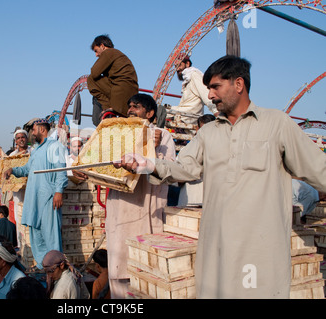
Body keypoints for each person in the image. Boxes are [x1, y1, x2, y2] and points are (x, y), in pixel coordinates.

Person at [114, 55, 326, 298]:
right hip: (216, 251)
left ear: (238, 84)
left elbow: (318, 169)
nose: (211, 96)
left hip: (261, 252)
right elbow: (184, 168)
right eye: (209, 89)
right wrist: (149, 164)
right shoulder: (209, 133)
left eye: (215, 87)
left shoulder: (277, 124)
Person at [73, 93, 176, 298]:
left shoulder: (162, 135)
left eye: (136, 107)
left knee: (144, 274)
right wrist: (81, 170)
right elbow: (97, 164)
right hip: (118, 213)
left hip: (144, 212)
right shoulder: (118, 134)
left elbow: (170, 173)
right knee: (119, 272)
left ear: (150, 113)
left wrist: (152, 149)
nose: (130, 110)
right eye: (129, 106)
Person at [4, 119, 68, 269]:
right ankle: (42, 267)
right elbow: (27, 169)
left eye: (33, 130)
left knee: (50, 235)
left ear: (42, 130)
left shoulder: (55, 146)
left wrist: (59, 191)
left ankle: (55, 268)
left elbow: (61, 171)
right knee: (36, 235)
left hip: (48, 198)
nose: (32, 133)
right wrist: (13, 170)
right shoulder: (36, 150)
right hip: (34, 199)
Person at [87, 34, 139, 125]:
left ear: (102, 46)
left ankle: (108, 106)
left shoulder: (109, 52)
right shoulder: (119, 54)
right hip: (131, 93)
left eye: (96, 50)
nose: (96, 55)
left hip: (119, 92)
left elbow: (95, 72)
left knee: (91, 79)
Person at [177, 114, 216, 207]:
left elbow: (179, 177)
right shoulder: (186, 150)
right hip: (191, 200)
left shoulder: (186, 150)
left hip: (201, 200)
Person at [170, 56, 219, 124]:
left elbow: (206, 95)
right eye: (176, 66)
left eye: (179, 65)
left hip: (189, 115)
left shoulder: (194, 75)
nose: (177, 69)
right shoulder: (188, 78)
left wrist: (218, 115)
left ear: (187, 64)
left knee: (161, 111)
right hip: (184, 114)